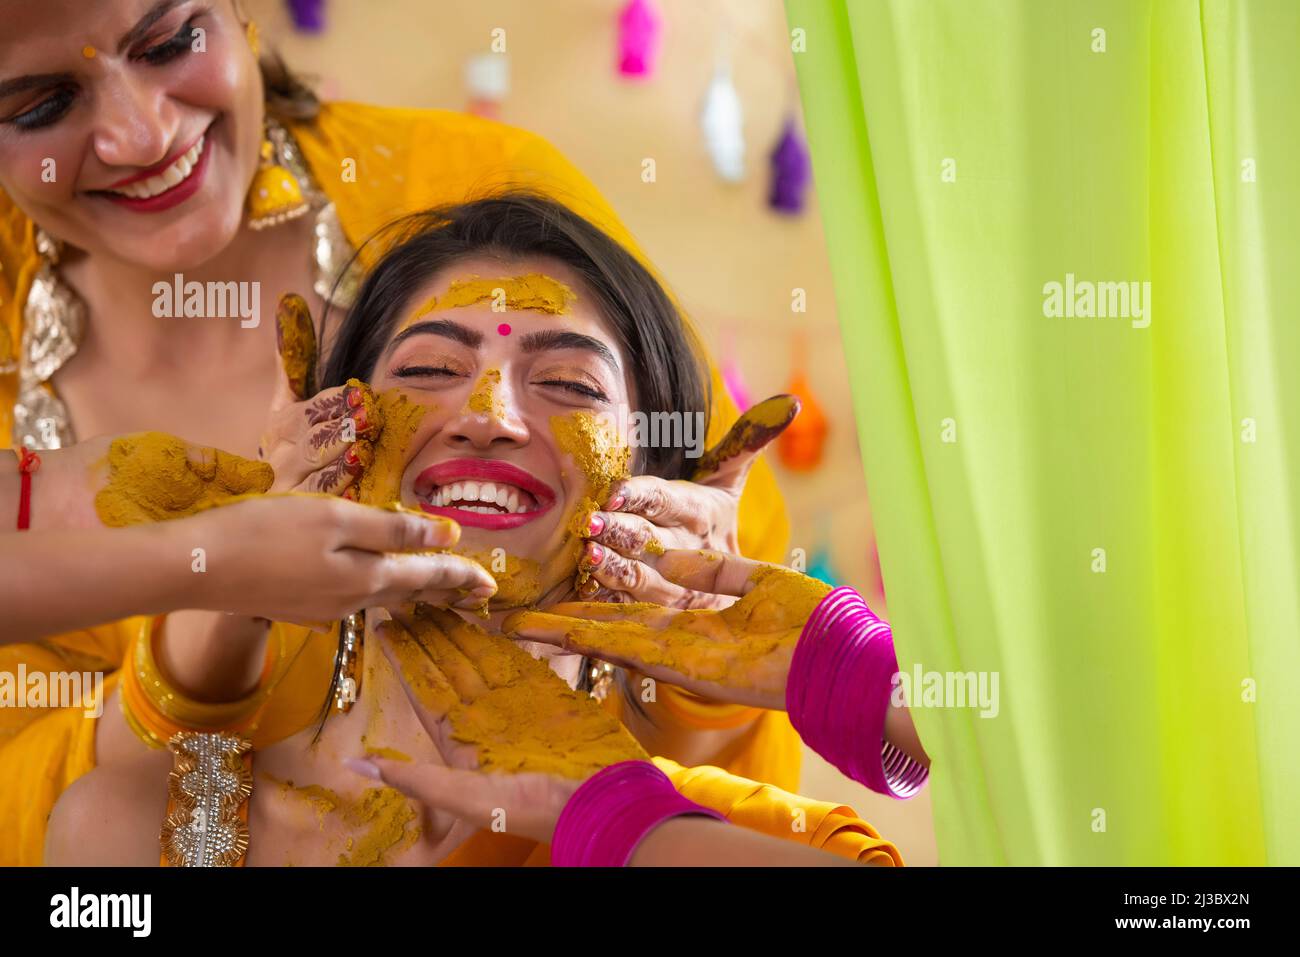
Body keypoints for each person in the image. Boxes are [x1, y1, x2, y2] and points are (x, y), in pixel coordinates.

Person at [0, 0, 797, 863]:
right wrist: (205, 628)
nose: (141, 132)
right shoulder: (127, 826)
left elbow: (741, 664)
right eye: (41, 105)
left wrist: (695, 679)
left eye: (168, 43)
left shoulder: (479, 192)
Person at [44, 195, 903, 866]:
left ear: (659, 484)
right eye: (427, 370)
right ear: (334, 437)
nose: (489, 416)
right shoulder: (143, 829)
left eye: (568, 383)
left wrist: (865, 682)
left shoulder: (754, 843)